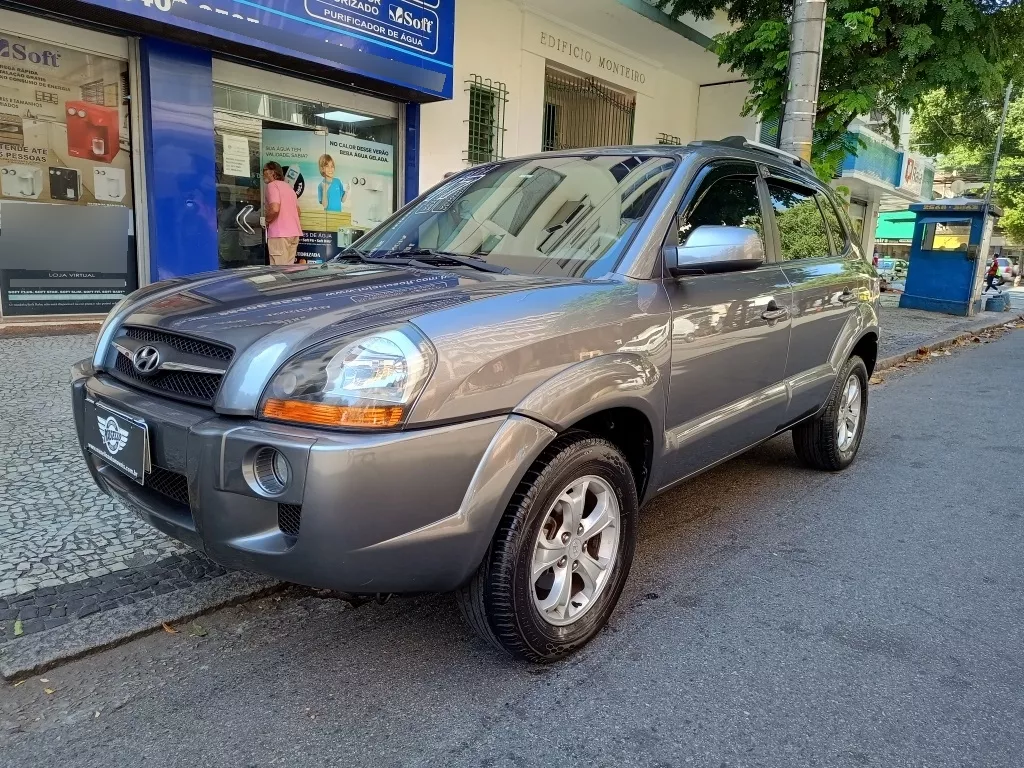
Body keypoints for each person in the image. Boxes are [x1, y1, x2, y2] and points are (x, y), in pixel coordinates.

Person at [262, 161, 303, 266]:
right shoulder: (289, 188)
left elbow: (275, 208)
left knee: (278, 272)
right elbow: (298, 212)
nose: (263, 174)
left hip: (280, 234)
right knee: (288, 271)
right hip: (294, 233)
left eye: (264, 170)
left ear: (273, 172)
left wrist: (266, 220)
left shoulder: (272, 186)